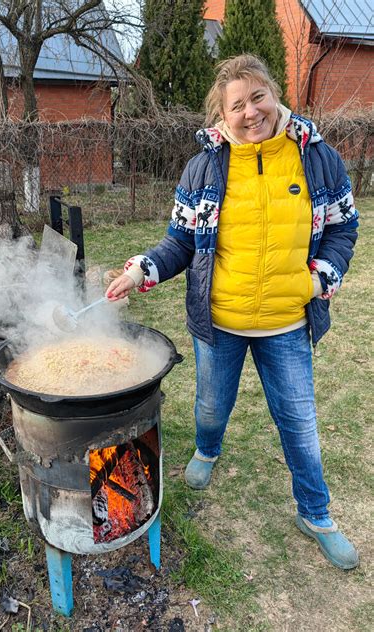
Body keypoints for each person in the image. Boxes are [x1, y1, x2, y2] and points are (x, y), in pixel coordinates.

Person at [106, 54, 360, 570]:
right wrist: (140, 271)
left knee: (300, 425)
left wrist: (319, 279)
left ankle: (316, 513)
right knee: (210, 407)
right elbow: (180, 241)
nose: (250, 112)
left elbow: (343, 228)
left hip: (286, 324)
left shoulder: (317, 159)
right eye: (237, 105)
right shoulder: (203, 168)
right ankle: (207, 450)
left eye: (257, 97)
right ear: (222, 115)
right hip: (217, 322)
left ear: (275, 94)